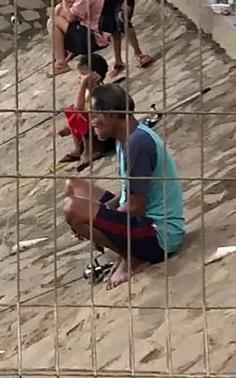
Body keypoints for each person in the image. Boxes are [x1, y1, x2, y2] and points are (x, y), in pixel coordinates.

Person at [61, 82, 186, 288]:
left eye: (94, 115)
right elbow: (130, 194)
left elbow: (136, 207)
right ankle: (123, 248)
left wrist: (97, 219)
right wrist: (99, 215)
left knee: (73, 208)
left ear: (110, 115)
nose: (90, 121)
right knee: (73, 186)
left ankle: (131, 257)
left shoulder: (137, 144)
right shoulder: (125, 138)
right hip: (143, 221)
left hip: (160, 235)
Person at [45, 0, 103, 75]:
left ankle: (61, 63)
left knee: (53, 21)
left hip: (94, 39)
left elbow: (71, 17)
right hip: (92, 32)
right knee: (59, 9)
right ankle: (63, 52)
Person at [61, 53, 111, 168]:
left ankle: (89, 150)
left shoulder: (98, 90)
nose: (80, 77)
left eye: (83, 74)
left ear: (95, 76)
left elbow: (78, 108)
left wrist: (82, 85)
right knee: (71, 111)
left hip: (99, 128)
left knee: (81, 115)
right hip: (90, 126)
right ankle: (79, 148)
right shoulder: (87, 90)